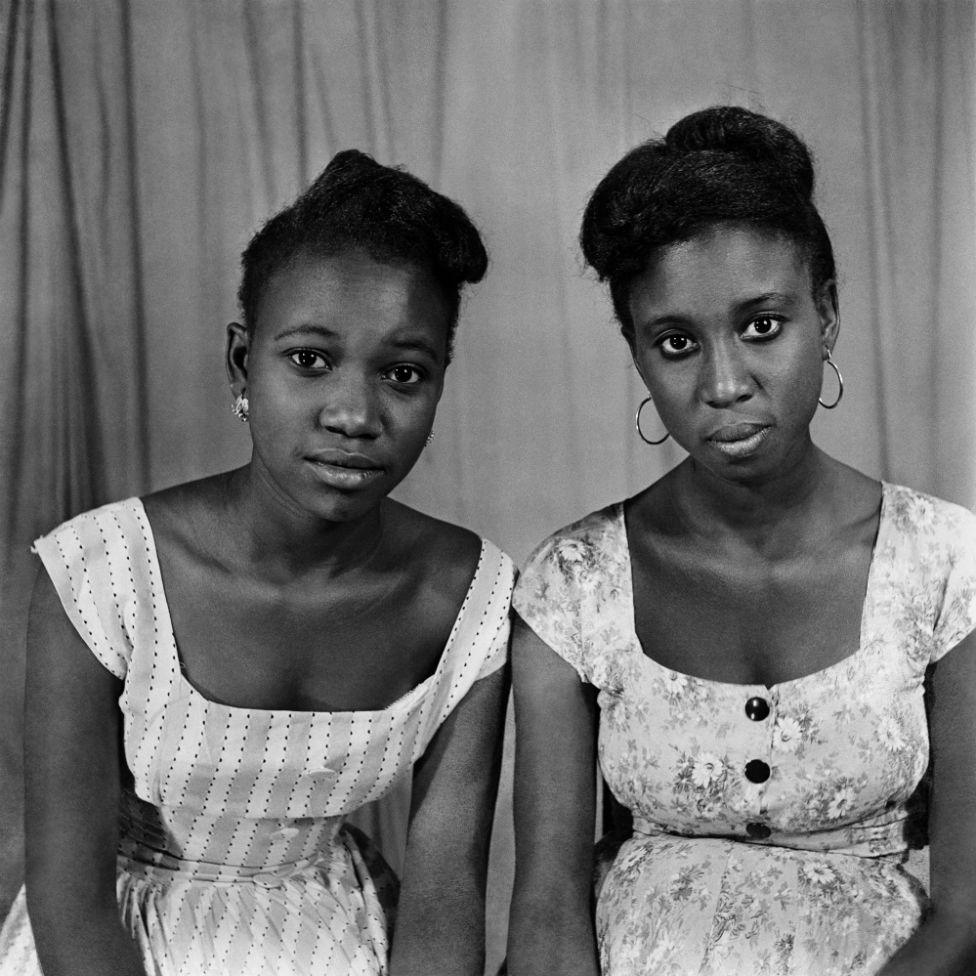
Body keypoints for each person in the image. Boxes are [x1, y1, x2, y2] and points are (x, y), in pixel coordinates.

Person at [0, 150, 513, 976]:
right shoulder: (102, 570)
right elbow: (69, 892)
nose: (354, 413)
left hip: (334, 941)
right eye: (309, 360)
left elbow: (446, 892)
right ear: (244, 361)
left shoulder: (471, 597)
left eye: (403, 374)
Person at [506, 106, 976, 976]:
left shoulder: (949, 567)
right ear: (638, 354)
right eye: (677, 342)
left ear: (825, 315)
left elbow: (970, 916)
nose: (724, 384)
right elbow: (544, 913)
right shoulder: (571, 585)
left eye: (763, 325)